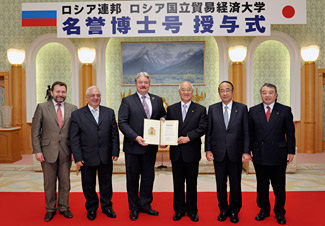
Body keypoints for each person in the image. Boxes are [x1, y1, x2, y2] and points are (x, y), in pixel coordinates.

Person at [118, 72, 166, 221]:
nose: (143, 85)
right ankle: (133, 208)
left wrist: (164, 119)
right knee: (132, 179)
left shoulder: (157, 100)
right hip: (133, 147)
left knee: (148, 177)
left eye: (146, 82)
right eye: (140, 82)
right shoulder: (127, 101)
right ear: (136, 84)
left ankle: (145, 204)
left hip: (150, 148)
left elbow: (163, 115)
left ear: (149, 84)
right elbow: (122, 122)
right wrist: (136, 137)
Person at [70, 86, 120, 221]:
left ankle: (107, 207)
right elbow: (74, 138)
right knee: (88, 184)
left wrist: (115, 151)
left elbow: (114, 134)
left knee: (106, 183)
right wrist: (78, 157)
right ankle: (91, 208)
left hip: (106, 155)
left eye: (98, 95)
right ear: (87, 97)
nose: (95, 98)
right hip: (86, 157)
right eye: (92, 95)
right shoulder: (77, 114)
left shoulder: (109, 112)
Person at [249, 83, 295, 225]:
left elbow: (290, 133)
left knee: (279, 186)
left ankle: (280, 212)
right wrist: (249, 149)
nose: (267, 95)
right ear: (261, 94)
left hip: (278, 154)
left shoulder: (285, 110)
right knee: (261, 185)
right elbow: (250, 133)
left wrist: (291, 151)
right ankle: (263, 210)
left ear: (276, 94)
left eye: (270, 92)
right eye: (264, 92)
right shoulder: (253, 110)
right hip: (259, 154)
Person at [31, 81, 77, 222]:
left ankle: (64, 207)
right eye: (57, 92)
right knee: (49, 183)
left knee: (65, 183)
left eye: (63, 92)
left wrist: (76, 151)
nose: (60, 94)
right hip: (47, 152)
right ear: (52, 92)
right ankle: (50, 209)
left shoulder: (73, 108)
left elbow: (76, 132)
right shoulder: (42, 107)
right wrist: (37, 151)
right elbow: (35, 131)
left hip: (66, 151)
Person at [205, 81, 250, 223]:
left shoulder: (242, 108)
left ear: (232, 92)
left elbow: (246, 132)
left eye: (228, 90)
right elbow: (209, 132)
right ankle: (223, 209)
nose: (225, 93)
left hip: (236, 153)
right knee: (221, 184)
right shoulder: (212, 109)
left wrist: (246, 151)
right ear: (219, 93)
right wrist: (208, 149)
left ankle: (235, 211)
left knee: (236, 183)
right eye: (222, 90)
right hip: (218, 153)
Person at [165, 81, 207, 222]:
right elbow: (167, 127)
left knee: (191, 183)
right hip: (176, 153)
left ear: (192, 91)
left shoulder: (200, 109)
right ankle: (178, 210)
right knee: (177, 184)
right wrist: (165, 138)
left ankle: (192, 211)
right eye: (183, 89)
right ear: (179, 92)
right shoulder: (171, 109)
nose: (186, 92)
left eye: (188, 89)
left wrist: (188, 138)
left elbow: (202, 128)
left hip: (192, 152)